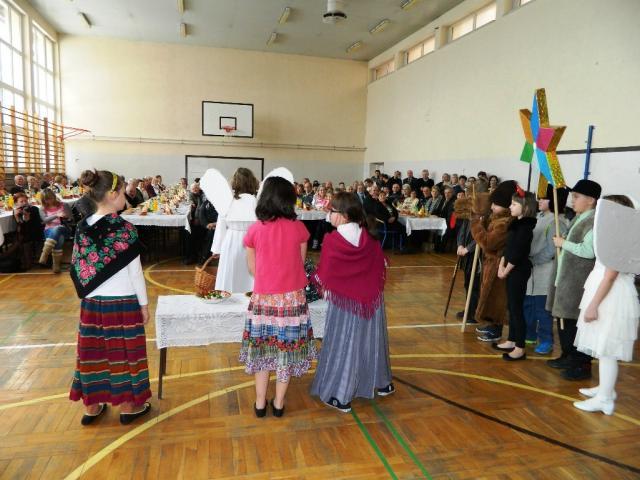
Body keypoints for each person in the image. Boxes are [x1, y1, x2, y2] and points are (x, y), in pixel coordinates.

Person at [69, 169, 151, 426]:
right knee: (124, 355)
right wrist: (144, 305)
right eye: (124, 191)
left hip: (92, 304)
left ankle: (92, 406)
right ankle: (129, 406)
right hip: (124, 303)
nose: (127, 196)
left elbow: (78, 267)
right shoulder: (125, 229)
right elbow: (135, 273)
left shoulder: (82, 228)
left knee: (93, 354)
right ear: (113, 194)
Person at [310, 191, 393, 412]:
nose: (328, 214)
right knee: (373, 341)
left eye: (331, 211)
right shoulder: (370, 237)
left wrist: (312, 279)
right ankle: (382, 383)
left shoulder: (333, 240)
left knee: (345, 343)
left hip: (346, 303)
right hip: (372, 301)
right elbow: (381, 265)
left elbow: (325, 275)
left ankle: (339, 394)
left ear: (344, 215)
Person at [240, 176, 315, 418]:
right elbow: (300, 263)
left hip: (265, 299)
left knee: (263, 351)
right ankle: (279, 403)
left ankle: (260, 403)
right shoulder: (298, 228)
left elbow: (252, 269)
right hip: (292, 300)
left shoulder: (255, 229)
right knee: (286, 352)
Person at [572, 195, 639, 415]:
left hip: (611, 296)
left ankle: (605, 399)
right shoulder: (617, 234)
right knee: (603, 347)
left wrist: (593, 305)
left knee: (606, 348)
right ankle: (605, 388)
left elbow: (610, 276)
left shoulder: (619, 238)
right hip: (607, 291)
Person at [546, 179, 601, 380]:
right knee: (564, 320)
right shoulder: (578, 218)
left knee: (575, 323)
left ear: (591, 200)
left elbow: (588, 251)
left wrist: (564, 243)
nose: (572, 200)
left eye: (576, 197)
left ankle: (581, 364)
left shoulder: (593, 221)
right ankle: (567, 355)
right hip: (565, 278)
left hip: (577, 281)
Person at [524, 185, 569, 355]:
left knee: (542, 308)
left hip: (545, 270)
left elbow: (551, 251)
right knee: (528, 303)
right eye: (540, 197)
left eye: (544, 198)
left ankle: (546, 339)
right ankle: (529, 334)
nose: (540, 200)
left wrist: (533, 260)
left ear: (555, 200)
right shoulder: (538, 217)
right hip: (531, 269)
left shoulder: (558, 222)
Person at [493, 189, 537, 360]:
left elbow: (518, 252)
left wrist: (506, 269)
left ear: (525, 207)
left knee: (517, 308)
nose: (510, 207)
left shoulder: (526, 227)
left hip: (518, 270)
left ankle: (520, 347)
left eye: (514, 204)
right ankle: (511, 339)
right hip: (509, 268)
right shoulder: (516, 224)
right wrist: (501, 265)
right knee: (511, 307)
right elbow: (508, 248)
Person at [472, 181, 516, 342]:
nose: (492, 207)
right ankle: (491, 323)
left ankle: (496, 328)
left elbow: (489, 243)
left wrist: (475, 226)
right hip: (490, 263)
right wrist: (481, 221)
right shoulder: (496, 218)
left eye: (496, 205)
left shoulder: (505, 223)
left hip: (498, 264)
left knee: (497, 298)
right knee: (488, 295)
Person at [211, 168, 258, 293]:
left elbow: (221, 226)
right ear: (252, 182)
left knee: (230, 274)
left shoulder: (228, 201)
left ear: (235, 182)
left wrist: (217, 249)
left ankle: (228, 297)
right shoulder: (255, 201)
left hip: (231, 241)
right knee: (249, 277)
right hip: (252, 243)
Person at [39, 189, 73, 273]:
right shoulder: (42, 208)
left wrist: (66, 217)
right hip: (49, 230)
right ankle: (56, 265)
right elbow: (45, 220)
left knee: (58, 228)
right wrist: (56, 215)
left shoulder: (64, 205)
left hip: (65, 228)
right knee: (59, 237)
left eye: (51, 198)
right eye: (46, 199)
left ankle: (45, 253)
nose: (49, 201)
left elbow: (72, 219)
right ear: (43, 200)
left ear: (54, 196)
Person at [11, 192, 43, 270]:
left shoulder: (33, 209)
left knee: (23, 238)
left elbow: (33, 227)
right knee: (20, 237)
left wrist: (26, 218)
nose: (24, 203)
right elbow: (20, 228)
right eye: (21, 201)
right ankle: (23, 261)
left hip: (35, 232)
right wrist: (17, 217)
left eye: (25, 201)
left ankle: (27, 262)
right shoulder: (17, 211)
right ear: (16, 203)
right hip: (24, 233)